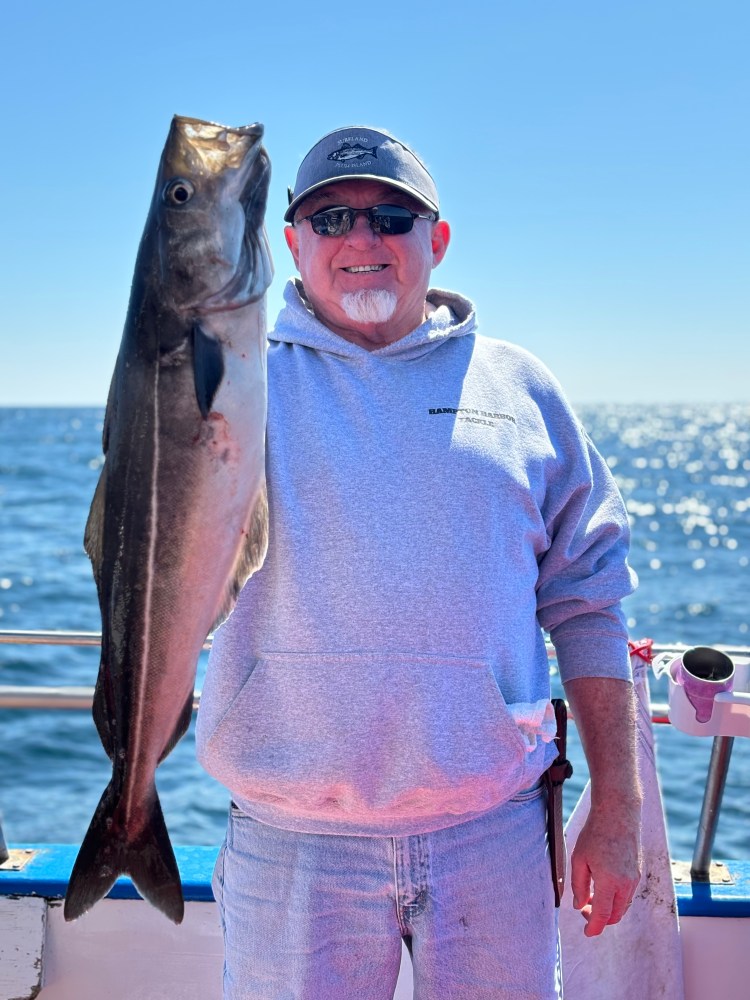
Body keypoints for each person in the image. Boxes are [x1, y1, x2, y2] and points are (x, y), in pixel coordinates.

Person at [196, 126, 643, 1000]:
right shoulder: (224, 381)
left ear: (435, 240)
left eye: (390, 216)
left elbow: (590, 605)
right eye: (329, 219)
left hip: (494, 833)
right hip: (291, 840)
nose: (361, 239)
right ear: (291, 243)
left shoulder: (524, 389)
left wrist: (617, 809)